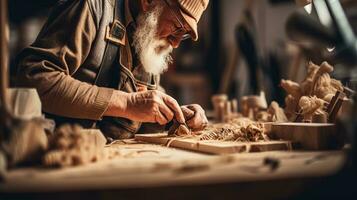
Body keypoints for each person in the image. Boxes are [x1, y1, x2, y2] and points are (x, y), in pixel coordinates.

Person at [16, 0, 209, 139]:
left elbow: (139, 108)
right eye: (177, 27)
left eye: (183, 35)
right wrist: (126, 104)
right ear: (149, 2)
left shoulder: (148, 36)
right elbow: (32, 76)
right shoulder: (91, 7)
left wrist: (172, 117)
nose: (175, 43)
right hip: (58, 153)